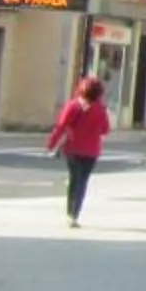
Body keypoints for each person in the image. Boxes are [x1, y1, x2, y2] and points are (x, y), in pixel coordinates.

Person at [46, 76, 112, 227]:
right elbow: (105, 130)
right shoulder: (100, 109)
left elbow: (61, 126)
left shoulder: (73, 106)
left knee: (74, 179)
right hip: (92, 151)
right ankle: (75, 214)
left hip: (73, 149)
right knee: (83, 181)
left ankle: (70, 213)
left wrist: (51, 144)